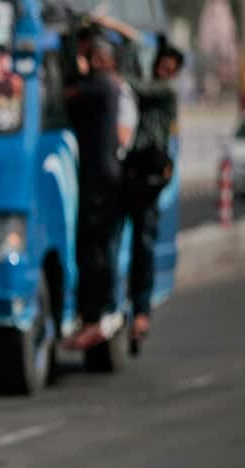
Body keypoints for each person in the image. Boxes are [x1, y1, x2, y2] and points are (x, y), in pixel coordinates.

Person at [63, 36, 132, 350]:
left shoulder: (101, 84)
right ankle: (94, 311)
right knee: (96, 248)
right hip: (100, 178)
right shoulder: (107, 84)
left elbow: (66, 95)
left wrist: (75, 68)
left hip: (100, 181)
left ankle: (96, 313)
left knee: (95, 249)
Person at [123, 42, 184, 344]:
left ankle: (141, 310)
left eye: (171, 67)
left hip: (149, 171)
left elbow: (136, 86)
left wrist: (118, 75)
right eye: (164, 63)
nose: (165, 69)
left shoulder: (165, 90)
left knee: (143, 244)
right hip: (133, 169)